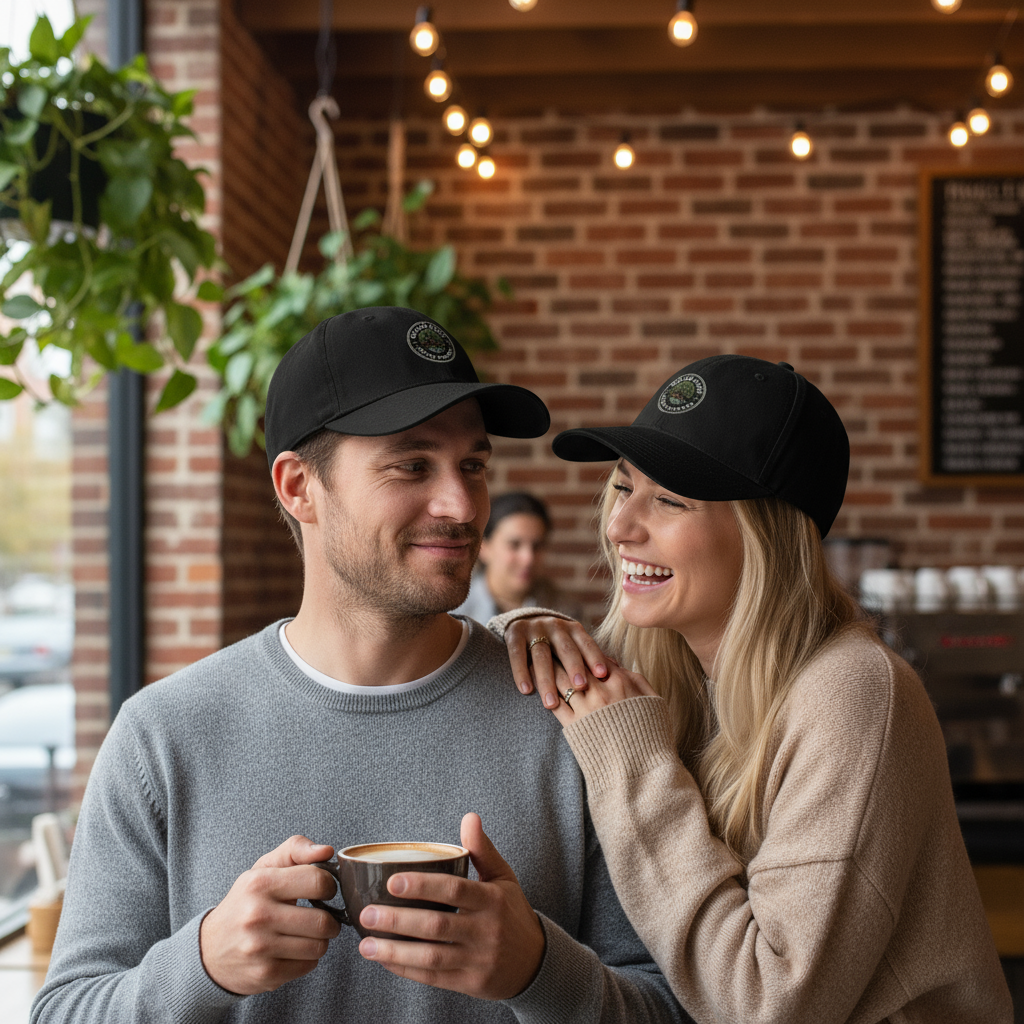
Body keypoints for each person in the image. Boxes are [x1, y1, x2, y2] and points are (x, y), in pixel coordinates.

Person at [31, 308, 686, 1024]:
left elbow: (675, 1008)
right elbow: (66, 1010)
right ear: (297, 488)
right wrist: (205, 963)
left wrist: (538, 971)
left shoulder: (572, 712)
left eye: (473, 464)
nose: (462, 504)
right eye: (412, 464)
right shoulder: (164, 736)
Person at [491, 355, 1013, 1024]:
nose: (621, 528)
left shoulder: (851, 692)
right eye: (623, 488)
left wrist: (634, 762)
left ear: (764, 537)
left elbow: (766, 1006)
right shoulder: (678, 666)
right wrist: (528, 627)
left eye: (670, 500)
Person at [455, 492, 584, 624]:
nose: (528, 558)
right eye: (514, 545)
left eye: (537, 546)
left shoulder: (564, 613)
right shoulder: (454, 612)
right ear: (483, 548)